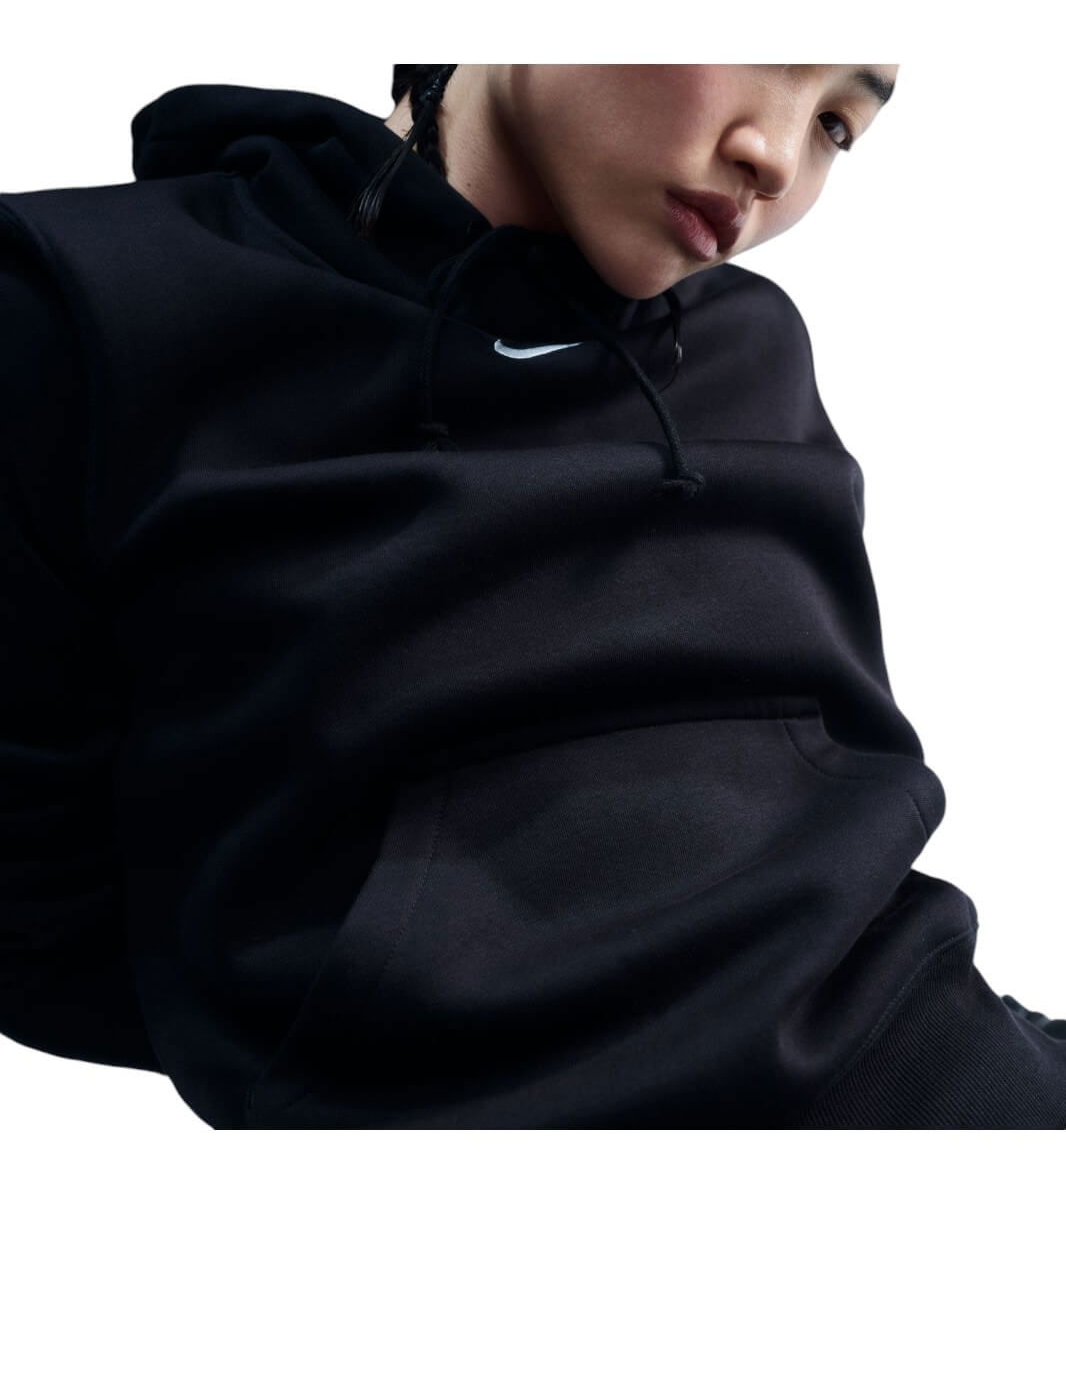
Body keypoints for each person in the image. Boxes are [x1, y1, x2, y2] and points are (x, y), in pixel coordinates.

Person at [1, 65, 1063, 1130]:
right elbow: (42, 928)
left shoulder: (749, 350)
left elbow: (846, 796)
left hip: (951, 1069)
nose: (777, 158)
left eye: (836, 124)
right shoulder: (81, 299)